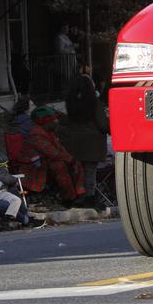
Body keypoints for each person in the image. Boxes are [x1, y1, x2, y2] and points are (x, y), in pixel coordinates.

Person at [64, 62, 109, 207]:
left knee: (80, 171)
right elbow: (103, 124)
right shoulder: (94, 103)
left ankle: (79, 196)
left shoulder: (71, 103)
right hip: (93, 144)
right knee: (91, 172)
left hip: (75, 143)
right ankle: (90, 197)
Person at [20, 106, 86, 204]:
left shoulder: (50, 133)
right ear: (46, 122)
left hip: (46, 164)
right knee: (59, 166)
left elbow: (60, 150)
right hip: (34, 168)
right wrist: (69, 159)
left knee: (76, 163)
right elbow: (52, 153)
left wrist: (71, 159)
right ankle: (70, 198)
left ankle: (80, 193)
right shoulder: (36, 134)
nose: (57, 121)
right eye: (54, 119)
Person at [55, 24, 77, 90]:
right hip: (65, 61)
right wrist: (72, 46)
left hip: (71, 61)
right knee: (66, 77)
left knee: (71, 76)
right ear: (62, 28)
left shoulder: (66, 37)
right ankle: (64, 91)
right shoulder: (59, 38)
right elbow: (60, 50)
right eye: (66, 28)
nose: (68, 29)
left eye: (68, 28)